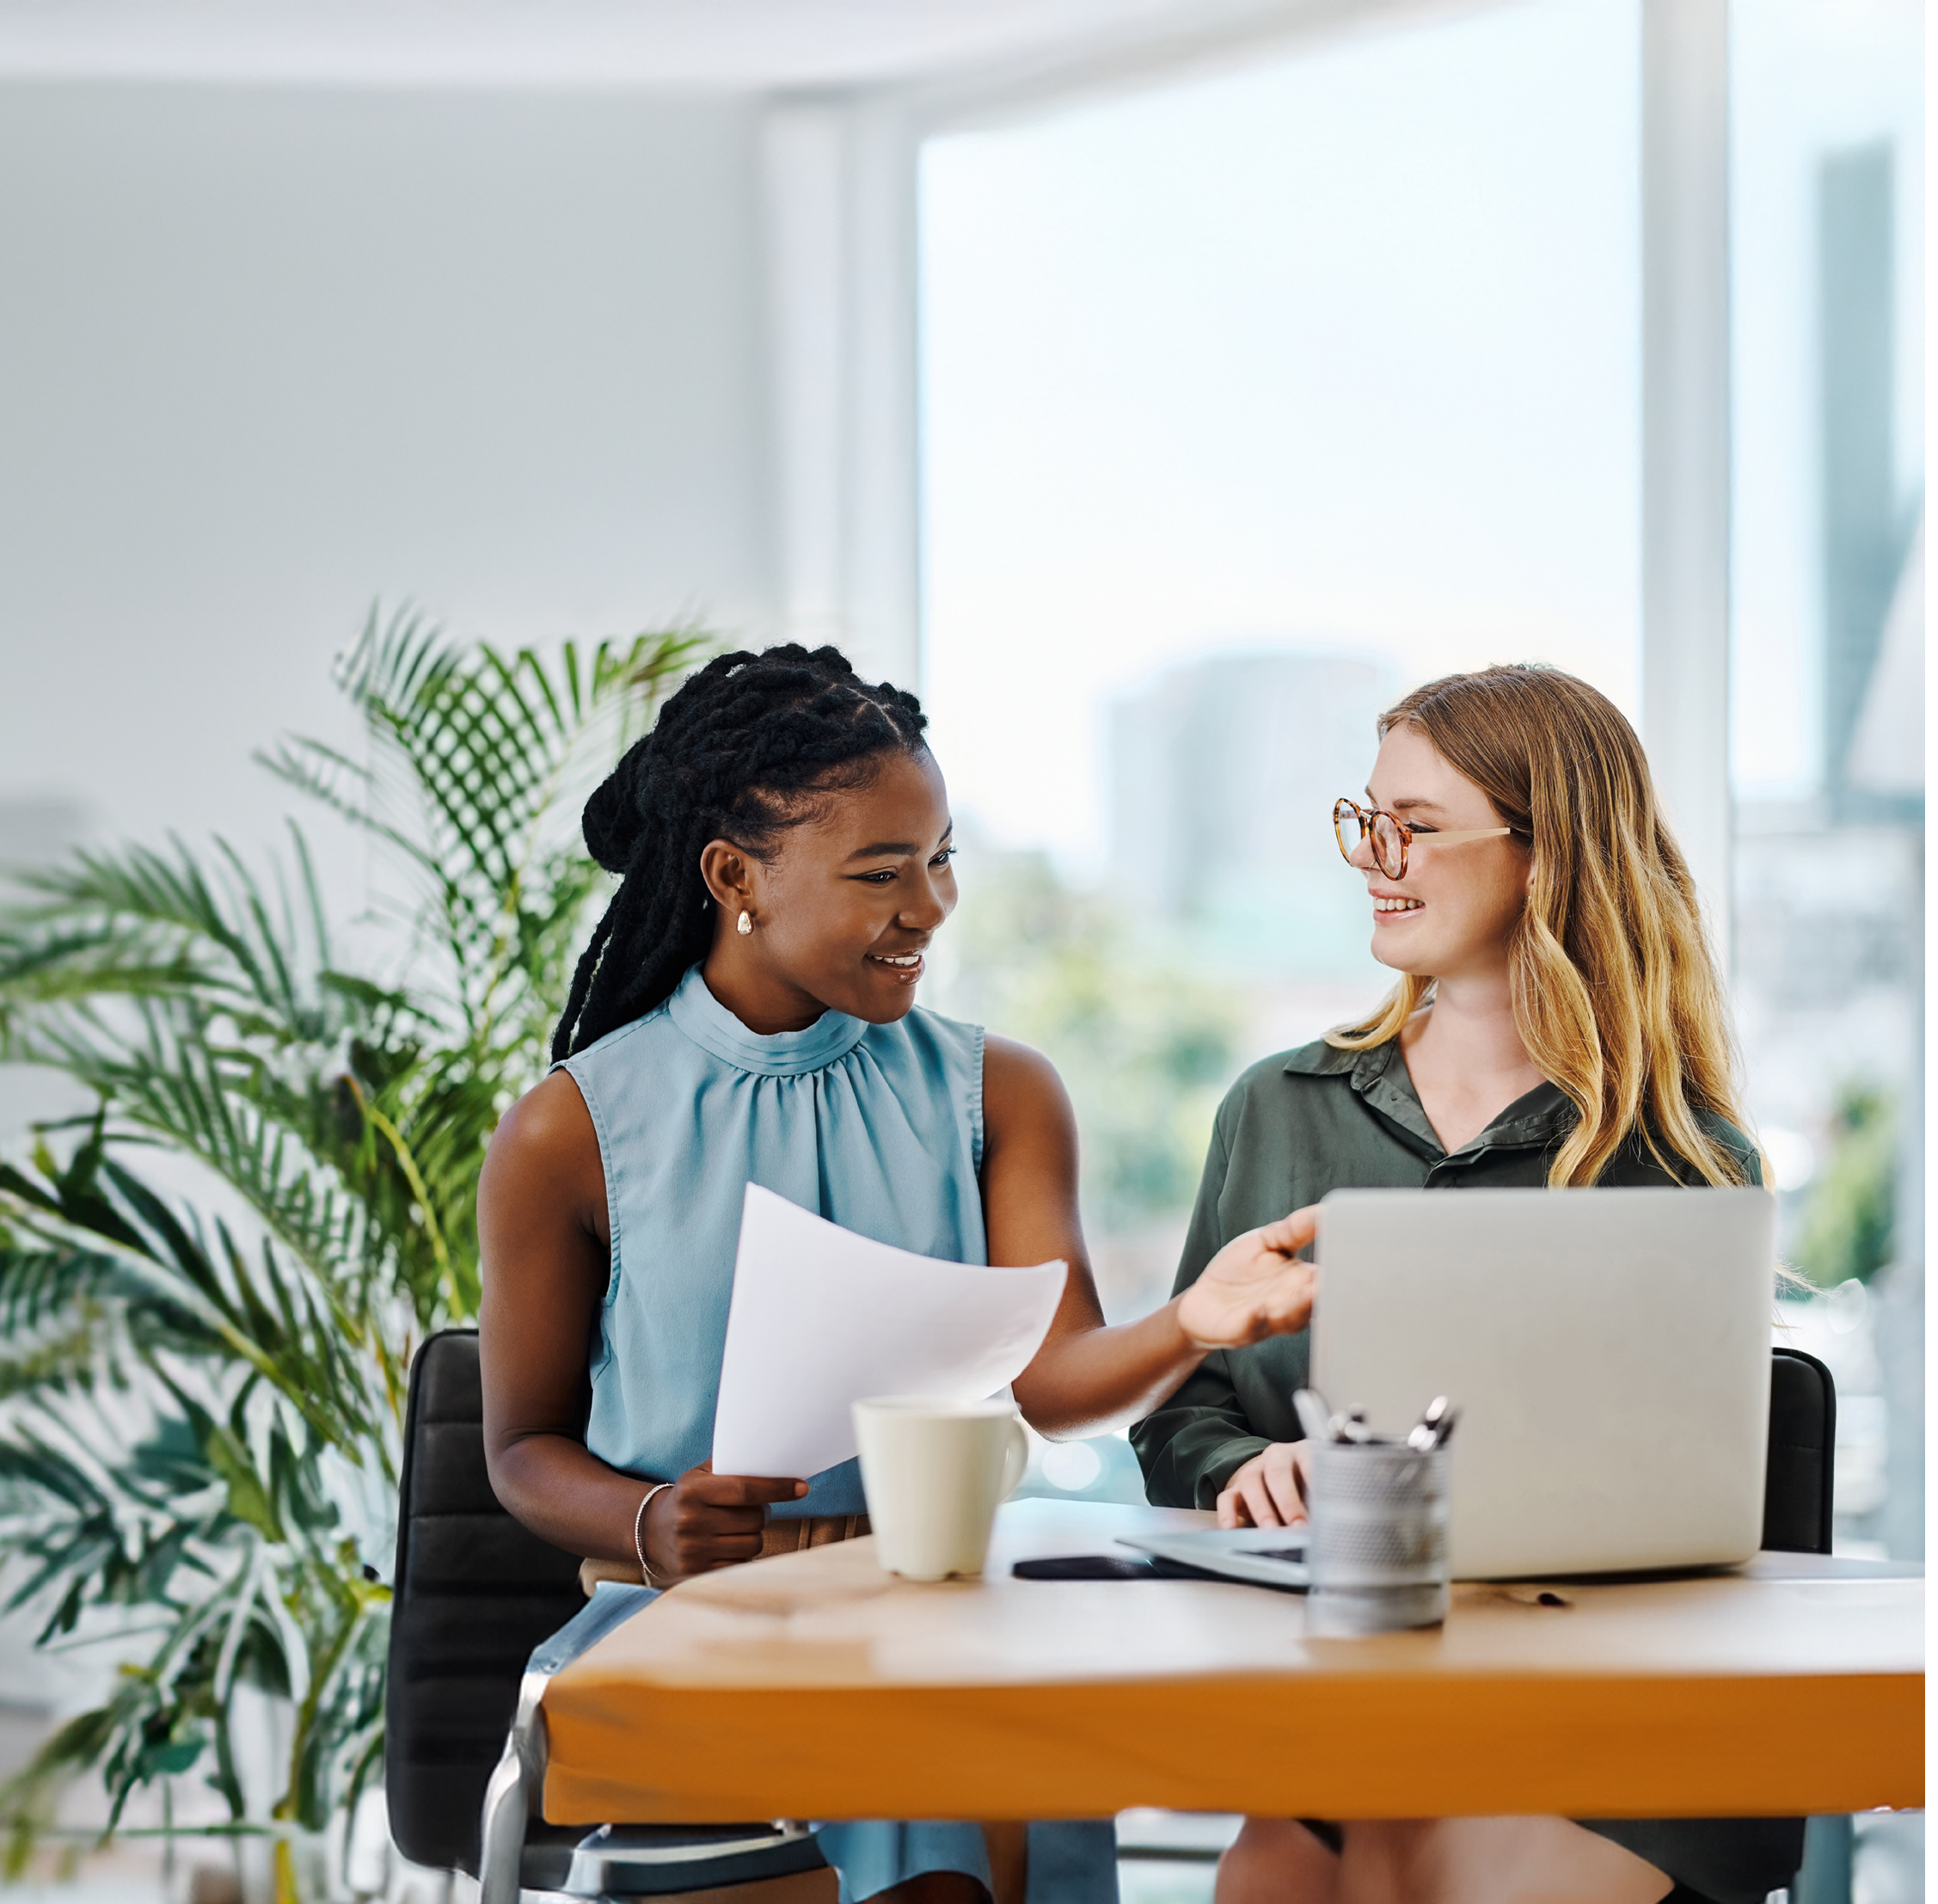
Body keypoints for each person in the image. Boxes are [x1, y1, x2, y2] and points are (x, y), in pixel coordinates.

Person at [478, 644, 1319, 1904]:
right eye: (883, 873)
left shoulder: (1001, 1091)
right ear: (733, 877)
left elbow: (1048, 1379)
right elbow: (520, 1450)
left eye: (940, 861)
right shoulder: (572, 1129)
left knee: (985, 1767)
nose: (930, 906)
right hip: (699, 1627)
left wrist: (1191, 1320)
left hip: (934, 1606)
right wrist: (649, 1519)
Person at [1127, 664, 1796, 1904]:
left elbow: (1694, 1490)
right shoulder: (1277, 1108)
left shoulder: (1687, 1156)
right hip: (1345, 1717)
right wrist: (1242, 1470)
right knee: (1264, 1886)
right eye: (1367, 819)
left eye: (1418, 827)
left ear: (1548, 853)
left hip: (1611, 1731)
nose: (1375, 856)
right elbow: (1179, 1414)